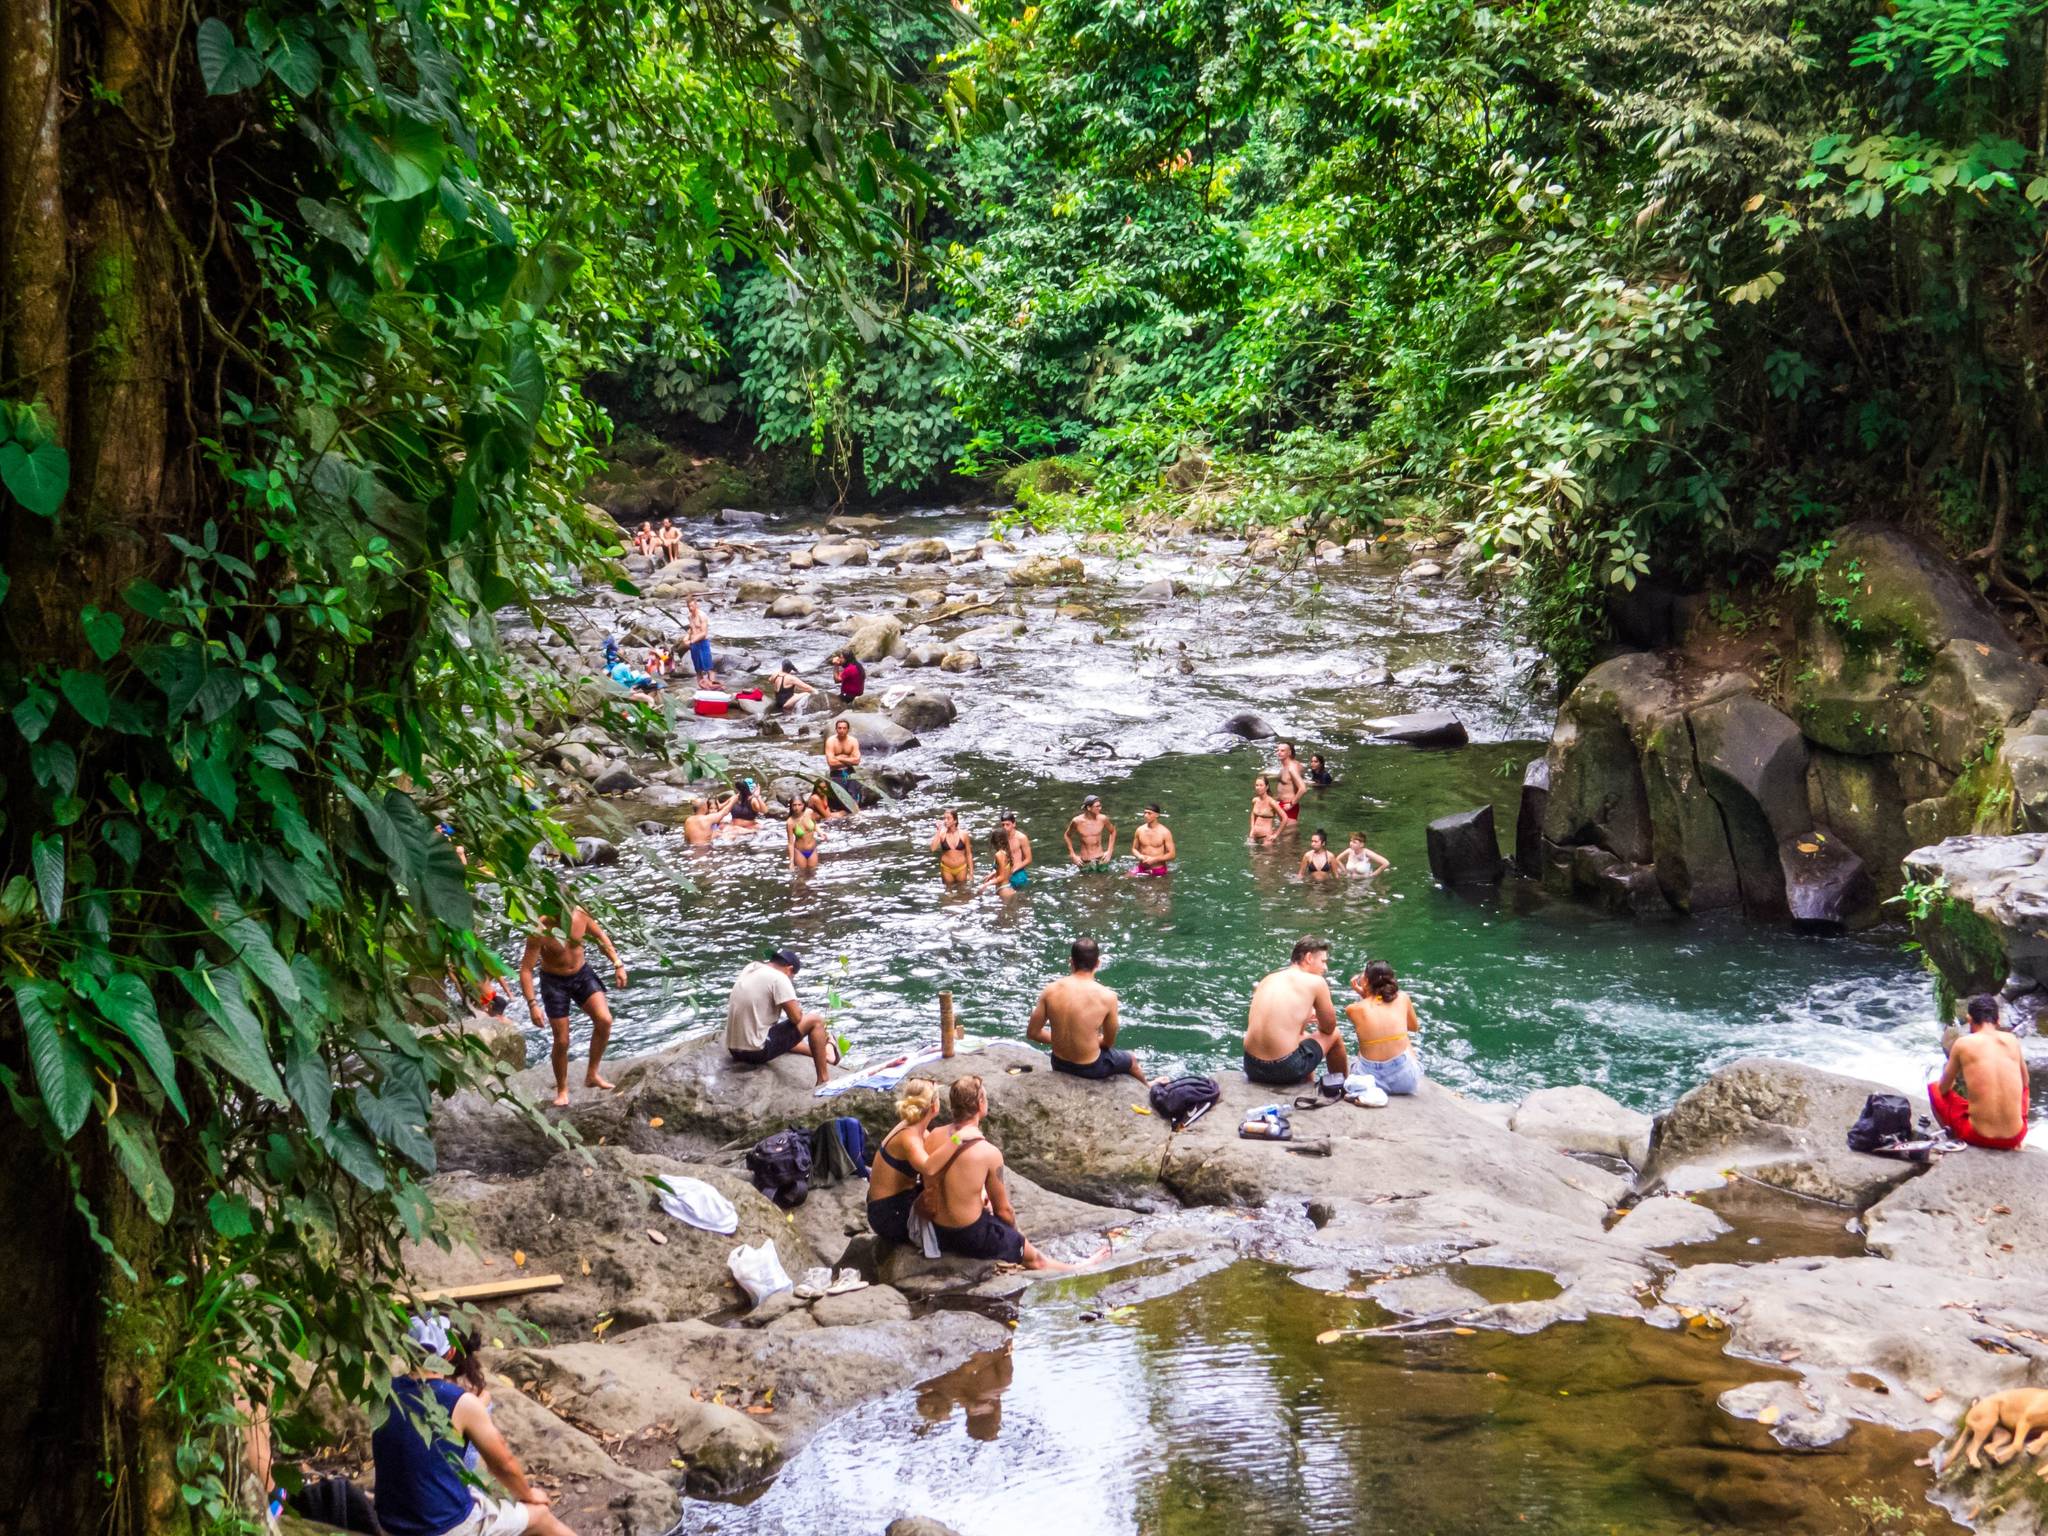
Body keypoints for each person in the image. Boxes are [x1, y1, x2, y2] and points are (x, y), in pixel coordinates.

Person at [373, 1314, 577, 1536]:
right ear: (450, 1353)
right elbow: (503, 1464)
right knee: (541, 1517)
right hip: (443, 1527)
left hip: (391, 1524)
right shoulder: (459, 1400)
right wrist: (529, 1495)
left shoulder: (386, 1391)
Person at [919, 1076, 1103, 1270]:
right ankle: (1082, 1269)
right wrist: (1016, 1236)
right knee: (1036, 1260)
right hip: (969, 1237)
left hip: (938, 1231)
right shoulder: (989, 1153)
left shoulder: (935, 1135)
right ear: (981, 1103)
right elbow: (1003, 1211)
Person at [519, 906, 627, 1107]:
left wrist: (617, 963)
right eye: (560, 916)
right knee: (562, 1040)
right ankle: (562, 1089)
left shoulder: (581, 914)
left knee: (605, 1020)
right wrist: (532, 1004)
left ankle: (592, 1074)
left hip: (582, 975)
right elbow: (526, 969)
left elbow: (601, 937)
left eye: (568, 914)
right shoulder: (540, 929)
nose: (565, 919)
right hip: (553, 982)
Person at [1028, 936, 1144, 1082]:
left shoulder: (1050, 990)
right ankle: (1149, 1089)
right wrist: (1086, 1042)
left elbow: (1033, 1033)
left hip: (1059, 1064)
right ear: (1098, 963)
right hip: (1090, 1068)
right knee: (1132, 1060)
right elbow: (1108, 1042)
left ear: (1071, 961)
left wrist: (1062, 1040)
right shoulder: (1108, 997)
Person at [1242, 936, 1348, 1086]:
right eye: (1323, 962)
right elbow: (1328, 1028)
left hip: (1251, 1066)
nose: (1325, 968)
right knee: (1334, 1034)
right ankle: (1343, 1087)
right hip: (1283, 1068)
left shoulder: (1269, 978)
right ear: (1309, 958)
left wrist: (1303, 1018)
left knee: (1303, 1036)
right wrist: (1311, 1016)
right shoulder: (1316, 982)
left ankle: (1307, 1084)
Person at [725, 948, 836, 1086]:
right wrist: (798, 1009)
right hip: (754, 1052)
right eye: (792, 976)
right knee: (816, 1021)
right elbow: (796, 1018)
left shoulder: (751, 968)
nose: (791, 979)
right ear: (789, 969)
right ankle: (824, 1080)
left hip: (734, 1050)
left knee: (779, 1031)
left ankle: (826, 1056)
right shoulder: (780, 978)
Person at [1931, 994, 2030, 1148]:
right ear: (1998, 1020)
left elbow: (1943, 1089)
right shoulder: (2012, 1040)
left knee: (1933, 1088)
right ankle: (2017, 1142)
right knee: (2024, 1090)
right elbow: (2025, 1083)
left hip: (1978, 1136)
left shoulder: (1962, 1043)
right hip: (2015, 1136)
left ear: (1970, 1019)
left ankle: (1952, 1137)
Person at [866, 1078, 942, 1245]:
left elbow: (936, 1154)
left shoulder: (916, 1128)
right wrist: (957, 1140)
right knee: (948, 1223)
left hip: (895, 1202)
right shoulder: (909, 1137)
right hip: (887, 1214)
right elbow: (929, 1168)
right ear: (934, 1106)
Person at [1346, 960, 1423, 1095]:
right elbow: (1413, 1027)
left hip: (1369, 1080)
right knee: (1404, 1036)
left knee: (1368, 1038)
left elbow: (1372, 1012)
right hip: (1405, 1081)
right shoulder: (1403, 998)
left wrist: (1364, 994)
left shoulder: (1353, 1009)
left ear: (1366, 981)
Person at [1063, 795, 1118, 870]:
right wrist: (1072, 854)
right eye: (1097, 806)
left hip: (1101, 859)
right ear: (1088, 808)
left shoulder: (1103, 819)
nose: (1100, 808)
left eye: (1100, 806)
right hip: (1084, 862)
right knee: (1085, 881)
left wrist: (1110, 851)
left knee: (1105, 881)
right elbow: (1067, 835)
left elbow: (1113, 831)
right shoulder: (1077, 821)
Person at [929, 808, 975, 886]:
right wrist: (938, 830)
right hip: (947, 869)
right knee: (948, 891)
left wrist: (971, 873)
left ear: (955, 820)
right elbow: (933, 848)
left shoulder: (964, 834)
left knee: (962, 890)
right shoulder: (942, 834)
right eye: (944, 818)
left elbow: (969, 854)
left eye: (948, 818)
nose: (945, 821)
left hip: (961, 868)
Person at [1131, 803, 1176, 877]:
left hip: (1158, 870)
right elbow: (1134, 849)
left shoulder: (1165, 832)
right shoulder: (1139, 830)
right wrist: (1140, 856)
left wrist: (1155, 859)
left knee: (1157, 888)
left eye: (1149, 813)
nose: (1146, 815)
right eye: (1145, 813)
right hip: (1142, 868)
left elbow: (1172, 854)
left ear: (1157, 815)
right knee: (1124, 877)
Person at [978, 828, 1022, 900]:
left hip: (1003, 890)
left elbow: (1002, 877)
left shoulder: (999, 854)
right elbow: (1006, 870)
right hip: (1008, 888)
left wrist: (986, 884)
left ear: (994, 841)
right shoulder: (1006, 852)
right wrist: (993, 874)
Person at [824, 717, 862, 796]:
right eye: (839, 728)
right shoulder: (831, 741)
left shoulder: (853, 741)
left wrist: (839, 758)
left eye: (844, 728)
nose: (842, 730)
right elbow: (831, 763)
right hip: (835, 772)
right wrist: (849, 760)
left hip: (850, 771)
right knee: (840, 797)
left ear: (848, 729)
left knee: (854, 794)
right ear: (836, 729)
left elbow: (857, 761)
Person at [1273, 743, 1307, 823]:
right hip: (1282, 805)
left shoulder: (1292, 768)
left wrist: (1291, 804)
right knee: (1282, 833)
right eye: (1278, 750)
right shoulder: (1290, 765)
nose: (1279, 752)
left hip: (1288, 807)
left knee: (1288, 834)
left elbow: (1303, 788)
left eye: (1282, 751)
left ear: (1289, 752)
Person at [685, 595, 715, 689]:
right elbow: (691, 629)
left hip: (703, 643)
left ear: (696, 605)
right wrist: (686, 637)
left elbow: (704, 633)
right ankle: (701, 687)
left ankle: (713, 685)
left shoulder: (702, 616)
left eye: (692, 606)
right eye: (689, 606)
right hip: (694, 645)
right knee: (698, 669)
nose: (691, 608)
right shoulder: (689, 616)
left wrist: (693, 640)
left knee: (708, 668)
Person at [786, 798, 823, 872]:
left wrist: (821, 832)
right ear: (791, 806)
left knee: (813, 873)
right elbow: (790, 843)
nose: (797, 808)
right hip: (799, 851)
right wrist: (791, 862)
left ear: (804, 805)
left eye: (799, 805)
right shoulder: (790, 822)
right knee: (802, 876)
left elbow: (815, 824)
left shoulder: (809, 812)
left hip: (812, 849)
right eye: (794, 805)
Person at [1248, 776, 1284, 845]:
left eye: (1261, 785)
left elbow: (1284, 818)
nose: (1258, 787)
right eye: (1257, 785)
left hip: (1266, 838)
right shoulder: (1255, 800)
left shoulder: (1271, 802)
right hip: (1254, 836)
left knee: (1266, 855)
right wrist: (1252, 829)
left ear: (1267, 787)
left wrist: (1276, 834)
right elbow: (1253, 814)